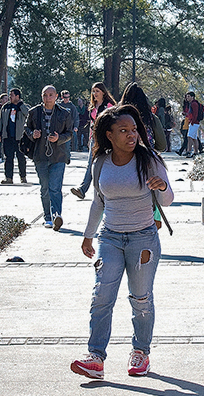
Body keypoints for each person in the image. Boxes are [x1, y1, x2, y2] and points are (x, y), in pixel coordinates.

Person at [70, 104, 173, 380]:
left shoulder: (149, 159)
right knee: (102, 296)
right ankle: (95, 357)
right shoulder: (101, 161)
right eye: (123, 131)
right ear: (109, 134)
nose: (131, 135)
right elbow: (98, 201)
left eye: (134, 130)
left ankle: (141, 352)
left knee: (140, 298)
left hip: (143, 238)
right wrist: (88, 235)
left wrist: (161, 186)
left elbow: (168, 198)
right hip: (110, 237)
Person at [25, 85, 73, 231]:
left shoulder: (64, 113)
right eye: (45, 95)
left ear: (56, 96)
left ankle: (56, 215)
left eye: (51, 95)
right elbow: (26, 128)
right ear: (42, 96)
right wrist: (33, 133)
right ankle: (47, 217)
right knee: (45, 188)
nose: (48, 98)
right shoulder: (34, 112)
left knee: (55, 188)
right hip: (40, 155)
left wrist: (59, 138)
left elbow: (69, 133)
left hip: (58, 155)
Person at [70, 83, 116, 200]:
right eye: (93, 91)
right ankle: (83, 189)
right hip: (94, 138)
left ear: (103, 92)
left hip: (106, 139)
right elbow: (91, 123)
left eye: (97, 91)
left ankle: (107, 189)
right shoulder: (93, 106)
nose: (95, 94)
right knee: (91, 163)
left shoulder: (109, 106)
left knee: (106, 164)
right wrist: (90, 138)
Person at [120, 83, 166, 152]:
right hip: (145, 157)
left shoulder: (118, 117)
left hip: (122, 157)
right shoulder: (151, 118)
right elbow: (162, 145)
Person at [0, 88, 29, 184]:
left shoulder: (23, 106)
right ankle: (8, 178)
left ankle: (23, 177)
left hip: (20, 137)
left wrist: (20, 106)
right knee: (8, 158)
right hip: (8, 136)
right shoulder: (6, 107)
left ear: (17, 96)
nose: (10, 97)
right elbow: (0, 120)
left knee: (21, 158)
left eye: (12, 95)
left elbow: (28, 114)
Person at [184, 91, 201, 157]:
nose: (187, 98)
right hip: (194, 122)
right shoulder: (192, 103)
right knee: (194, 138)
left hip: (194, 122)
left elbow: (195, 113)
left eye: (188, 96)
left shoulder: (194, 104)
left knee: (189, 136)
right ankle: (196, 152)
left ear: (192, 97)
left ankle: (189, 151)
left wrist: (193, 121)